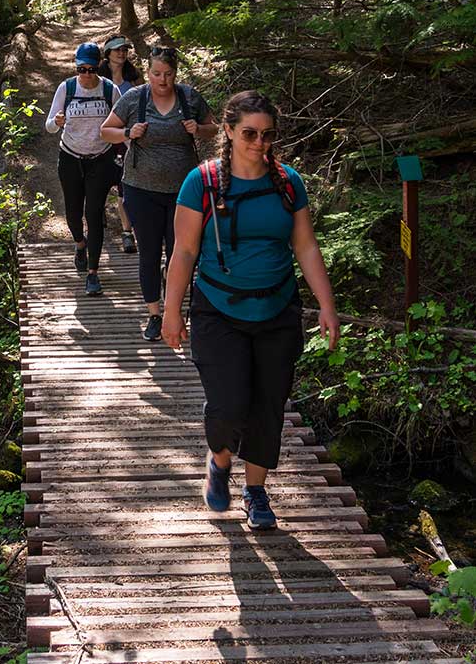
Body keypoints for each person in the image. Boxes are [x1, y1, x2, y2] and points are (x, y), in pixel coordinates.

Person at [162, 90, 341, 531]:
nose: (260, 143)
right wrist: (171, 312)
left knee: (268, 406)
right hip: (217, 310)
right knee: (228, 405)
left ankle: (256, 491)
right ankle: (220, 461)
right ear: (227, 130)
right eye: (249, 134)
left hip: (277, 308)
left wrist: (326, 305)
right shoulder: (200, 182)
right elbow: (184, 252)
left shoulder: (287, 181)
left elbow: (304, 245)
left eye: (267, 135)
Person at [100, 46, 217, 339]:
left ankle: (174, 309)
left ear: (175, 73)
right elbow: (106, 131)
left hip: (184, 193)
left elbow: (213, 128)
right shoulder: (134, 98)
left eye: (167, 74)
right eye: (156, 74)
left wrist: (198, 130)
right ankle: (155, 313)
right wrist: (128, 133)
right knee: (149, 253)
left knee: (181, 252)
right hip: (141, 189)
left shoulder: (189, 97)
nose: (162, 80)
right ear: (148, 72)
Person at [46, 42, 121, 296]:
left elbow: (122, 122)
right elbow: (49, 125)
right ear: (76, 67)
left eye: (91, 69)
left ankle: (93, 273)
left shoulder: (110, 90)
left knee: (94, 212)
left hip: (100, 159)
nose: (87, 74)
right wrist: (56, 122)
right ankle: (80, 243)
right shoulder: (66, 88)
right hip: (70, 158)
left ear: (99, 66)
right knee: (73, 212)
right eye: (82, 69)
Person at [97, 35, 143, 254]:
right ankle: (98, 213)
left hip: (126, 140)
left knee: (124, 186)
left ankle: (127, 232)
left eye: (124, 49)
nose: (121, 53)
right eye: (117, 50)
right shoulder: (96, 79)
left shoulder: (133, 81)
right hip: (100, 140)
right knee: (99, 183)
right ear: (107, 54)